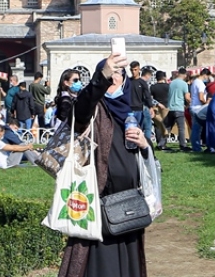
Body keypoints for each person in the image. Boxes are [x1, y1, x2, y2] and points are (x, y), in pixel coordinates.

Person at [57, 52, 150, 277]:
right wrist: (103, 75)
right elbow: (81, 109)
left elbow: (145, 161)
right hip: (98, 206)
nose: (116, 78)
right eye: (112, 74)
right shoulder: (92, 110)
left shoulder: (129, 113)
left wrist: (145, 145)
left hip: (128, 206)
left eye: (120, 74)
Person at [165, 68, 189, 151]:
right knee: (181, 128)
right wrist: (189, 104)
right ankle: (182, 145)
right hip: (179, 108)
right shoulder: (184, 84)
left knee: (167, 127)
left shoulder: (171, 83)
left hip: (170, 108)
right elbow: (187, 97)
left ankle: (161, 143)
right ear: (185, 75)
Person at [188, 68, 212, 152]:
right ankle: (196, 147)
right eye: (208, 76)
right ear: (205, 75)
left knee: (195, 128)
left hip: (193, 106)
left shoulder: (194, 82)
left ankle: (195, 146)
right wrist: (206, 103)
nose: (207, 78)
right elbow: (201, 97)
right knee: (197, 129)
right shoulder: (201, 84)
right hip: (198, 108)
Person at [149, 71, 171, 149]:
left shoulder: (152, 87)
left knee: (157, 125)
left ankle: (159, 142)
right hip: (166, 107)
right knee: (166, 125)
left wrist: (157, 103)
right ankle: (163, 143)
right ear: (163, 77)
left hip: (156, 108)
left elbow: (150, 98)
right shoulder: (168, 86)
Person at [29, 71, 50, 139]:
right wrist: (48, 86)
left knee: (32, 120)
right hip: (40, 105)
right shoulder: (40, 86)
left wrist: (44, 86)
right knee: (41, 121)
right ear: (39, 78)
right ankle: (41, 136)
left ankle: (29, 135)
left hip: (33, 104)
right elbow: (47, 92)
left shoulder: (31, 85)